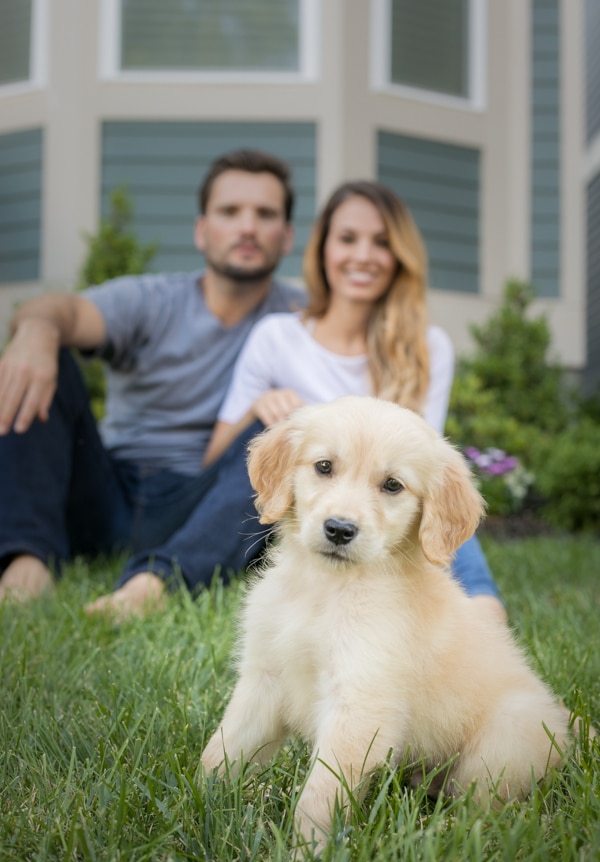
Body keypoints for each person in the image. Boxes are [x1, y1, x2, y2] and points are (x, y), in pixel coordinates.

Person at [0, 149, 304, 615]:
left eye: (265, 215)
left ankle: (155, 586)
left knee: (284, 428)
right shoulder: (151, 299)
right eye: (230, 212)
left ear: (287, 237)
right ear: (202, 231)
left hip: (210, 506)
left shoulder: (305, 320)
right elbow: (63, 311)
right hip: (106, 493)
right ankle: (26, 560)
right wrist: (36, 331)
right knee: (48, 359)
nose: (247, 227)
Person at [204, 180, 507, 624]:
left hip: (376, 529)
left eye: (381, 242)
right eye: (347, 239)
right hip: (291, 524)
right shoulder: (277, 336)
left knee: (429, 488)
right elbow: (217, 461)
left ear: (400, 257)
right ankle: (157, 580)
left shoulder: (428, 347)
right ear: (323, 249)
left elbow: (425, 471)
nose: (363, 255)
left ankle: (482, 610)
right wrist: (259, 408)